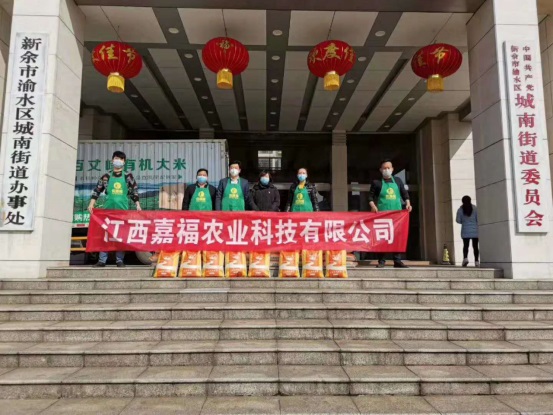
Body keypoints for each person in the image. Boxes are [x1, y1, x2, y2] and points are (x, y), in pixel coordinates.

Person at [88, 151, 141, 268]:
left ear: (124, 162)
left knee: (120, 236)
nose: (118, 161)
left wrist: (137, 204)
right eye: (117, 158)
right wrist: (91, 204)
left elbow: (134, 191)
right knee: (105, 236)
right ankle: (102, 260)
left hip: (122, 212)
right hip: (108, 211)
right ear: (112, 160)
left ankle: (119, 260)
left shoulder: (128, 176)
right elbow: (97, 190)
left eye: (121, 159)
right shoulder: (106, 177)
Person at [368, 159, 412, 268]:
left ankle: (397, 260)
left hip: (397, 215)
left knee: (397, 237)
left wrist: (408, 203)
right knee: (382, 238)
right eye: (384, 168)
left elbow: (404, 194)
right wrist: (373, 206)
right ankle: (381, 261)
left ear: (392, 169)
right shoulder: (376, 182)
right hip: (382, 215)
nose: (386, 170)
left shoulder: (398, 181)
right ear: (380, 170)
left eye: (388, 168)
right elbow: (370, 197)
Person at [456, 195, 479, 267]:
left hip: (465, 231)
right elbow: (478, 219)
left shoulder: (460, 210)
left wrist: (464, 221)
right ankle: (476, 261)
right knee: (475, 246)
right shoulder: (475, 208)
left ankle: (465, 258)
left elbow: (458, 220)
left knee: (466, 246)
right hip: (475, 231)